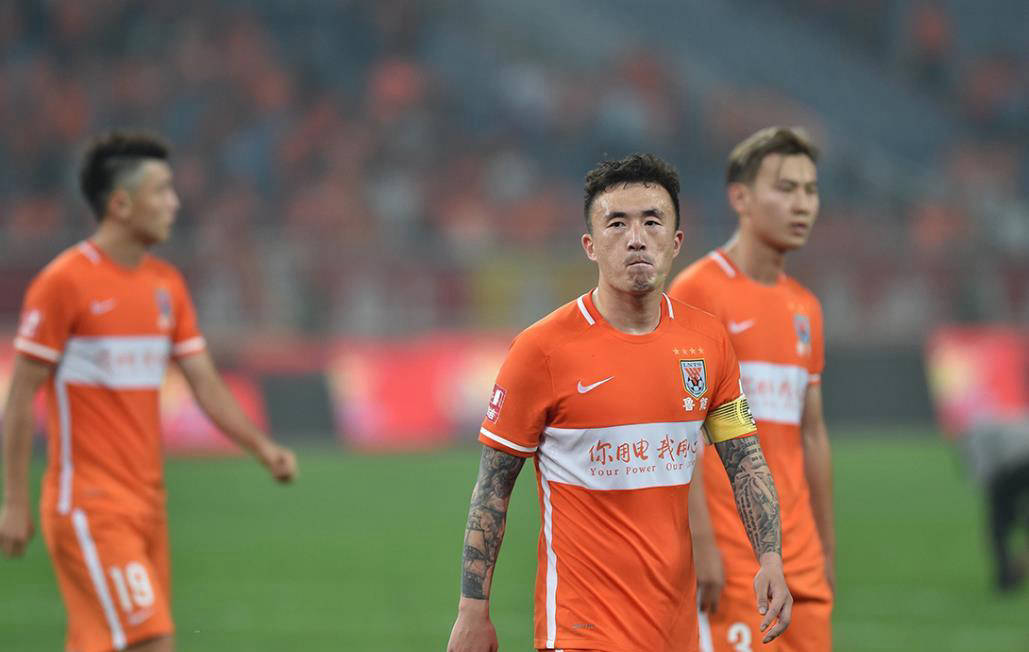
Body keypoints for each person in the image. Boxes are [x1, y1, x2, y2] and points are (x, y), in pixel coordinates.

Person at [447, 154, 791, 652]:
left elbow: (746, 462)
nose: (636, 238)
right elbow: (492, 490)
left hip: (675, 633)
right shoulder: (541, 351)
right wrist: (472, 611)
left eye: (652, 221)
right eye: (617, 224)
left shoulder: (708, 341)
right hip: (580, 632)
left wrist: (771, 558)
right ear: (590, 245)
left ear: (676, 241)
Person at [0, 131, 298, 652]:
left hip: (148, 505)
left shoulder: (166, 285)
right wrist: (13, 501)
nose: (174, 203)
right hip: (90, 505)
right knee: (152, 641)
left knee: (106, 643)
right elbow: (21, 394)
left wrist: (261, 448)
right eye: (161, 190)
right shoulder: (64, 283)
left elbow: (204, 381)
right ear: (120, 204)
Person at [668, 127, 833, 651]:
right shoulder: (698, 291)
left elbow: (812, 435)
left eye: (810, 190)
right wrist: (702, 543)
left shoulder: (806, 307)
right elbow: (681, 430)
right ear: (740, 198)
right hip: (735, 556)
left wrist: (826, 548)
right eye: (785, 188)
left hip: (801, 559)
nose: (802, 203)